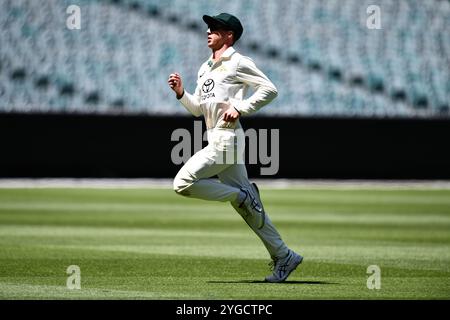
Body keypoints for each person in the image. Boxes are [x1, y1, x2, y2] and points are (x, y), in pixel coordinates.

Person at [167, 13, 302, 282]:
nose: (208, 31)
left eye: (215, 28)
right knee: (251, 210)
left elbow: (269, 89)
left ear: (229, 35)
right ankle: (284, 255)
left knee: (182, 183)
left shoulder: (238, 62)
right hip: (216, 137)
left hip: (228, 139)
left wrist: (240, 107)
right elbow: (198, 110)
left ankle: (240, 195)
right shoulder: (205, 67)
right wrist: (182, 93)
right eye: (209, 27)